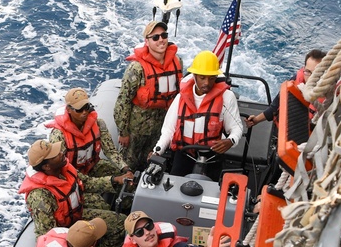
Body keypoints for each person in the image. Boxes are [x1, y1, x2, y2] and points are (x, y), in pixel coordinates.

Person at [19, 139, 130, 247]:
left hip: (77, 215)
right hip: (68, 236)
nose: (61, 153)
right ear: (46, 166)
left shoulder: (64, 169)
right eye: (55, 155)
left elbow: (87, 183)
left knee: (120, 222)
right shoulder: (40, 197)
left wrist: (115, 180)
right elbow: (48, 235)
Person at [152, 50, 244, 179]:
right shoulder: (180, 98)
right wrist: (158, 150)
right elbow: (168, 129)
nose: (207, 82)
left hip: (213, 157)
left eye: (212, 78)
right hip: (184, 154)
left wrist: (231, 140)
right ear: (194, 75)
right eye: (202, 78)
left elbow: (237, 127)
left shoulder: (227, 98)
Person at [113, 20, 184, 172]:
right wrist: (123, 132)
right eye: (155, 37)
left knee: (152, 162)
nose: (161, 40)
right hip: (137, 129)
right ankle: (125, 193)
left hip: (161, 127)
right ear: (147, 41)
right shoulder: (137, 68)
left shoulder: (177, 62)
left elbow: (180, 95)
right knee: (128, 164)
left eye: (164, 35)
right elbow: (123, 102)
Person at [46, 87, 130, 179]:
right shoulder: (59, 135)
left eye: (87, 107)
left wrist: (125, 168)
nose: (84, 112)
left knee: (122, 175)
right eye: (79, 109)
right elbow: (60, 166)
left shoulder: (98, 124)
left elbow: (110, 151)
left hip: (92, 166)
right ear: (69, 110)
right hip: (72, 174)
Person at [245, 49, 326, 130]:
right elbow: (275, 107)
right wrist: (255, 120)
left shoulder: (331, 94)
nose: (311, 77)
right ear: (304, 69)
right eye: (308, 72)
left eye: (316, 73)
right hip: (286, 131)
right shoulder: (294, 83)